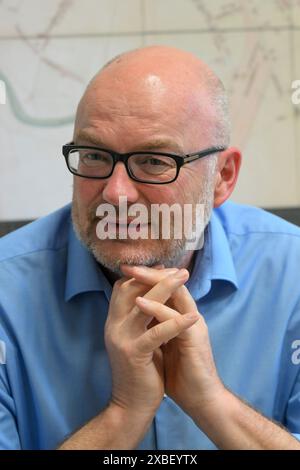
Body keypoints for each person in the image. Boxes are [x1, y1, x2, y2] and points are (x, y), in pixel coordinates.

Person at [0, 45, 300, 450]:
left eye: (155, 161)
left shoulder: (292, 273)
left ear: (222, 177)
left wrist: (211, 403)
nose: (116, 193)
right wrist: (124, 414)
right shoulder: (6, 289)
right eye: (94, 155)